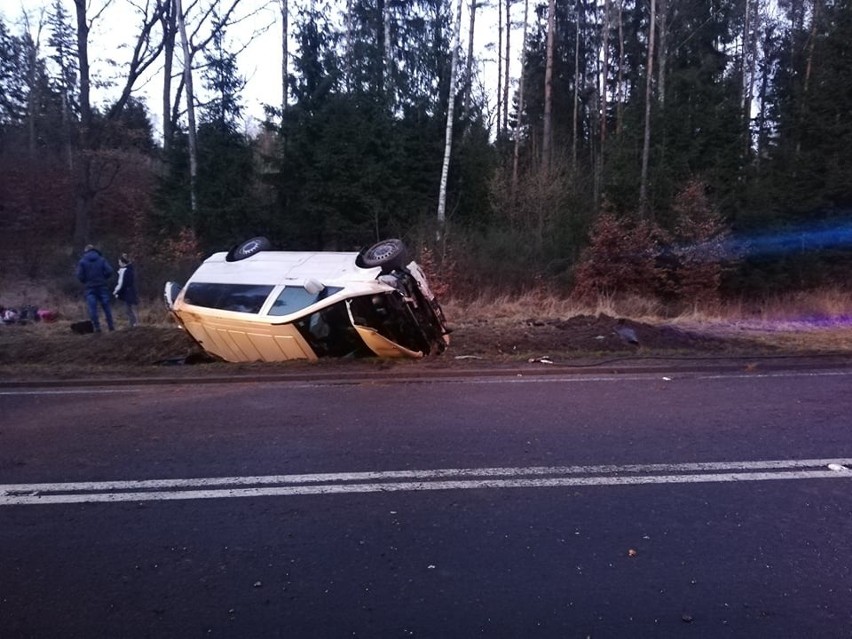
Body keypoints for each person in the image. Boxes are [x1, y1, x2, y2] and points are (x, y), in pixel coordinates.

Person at [76, 244, 115, 332]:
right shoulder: (102, 259)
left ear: (86, 251)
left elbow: (79, 276)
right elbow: (109, 271)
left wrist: (85, 281)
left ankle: (97, 327)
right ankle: (111, 326)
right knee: (106, 307)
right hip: (102, 286)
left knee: (92, 308)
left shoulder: (82, 261)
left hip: (90, 288)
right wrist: (104, 278)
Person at [113, 253, 139, 327]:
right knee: (130, 309)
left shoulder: (124, 271)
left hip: (127, 292)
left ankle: (133, 324)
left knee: (128, 309)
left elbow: (121, 283)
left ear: (122, 262)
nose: (118, 263)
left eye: (119, 262)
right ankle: (134, 323)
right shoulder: (130, 270)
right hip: (131, 291)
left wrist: (116, 292)